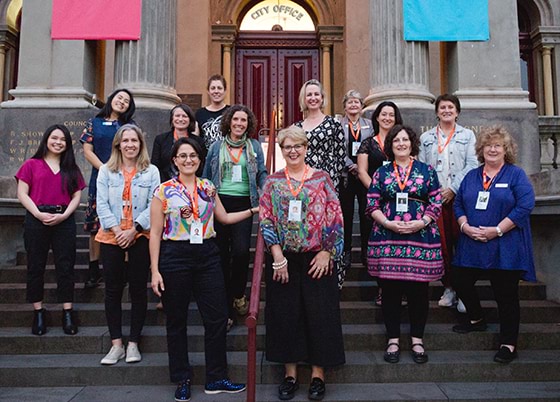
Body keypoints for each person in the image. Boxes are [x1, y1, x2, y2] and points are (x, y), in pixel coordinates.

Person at [150, 137, 249, 401]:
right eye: (183, 156)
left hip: (207, 254)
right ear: (174, 160)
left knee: (216, 319)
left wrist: (254, 209)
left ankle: (216, 377)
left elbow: (224, 218)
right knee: (176, 320)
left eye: (193, 155)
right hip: (175, 256)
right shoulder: (163, 191)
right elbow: (156, 233)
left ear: (199, 159)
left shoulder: (209, 187)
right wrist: (155, 270)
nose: (188, 160)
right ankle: (182, 378)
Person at [259, 126, 345, 401]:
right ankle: (290, 375)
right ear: (282, 151)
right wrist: (277, 257)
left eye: (298, 146)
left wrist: (327, 252)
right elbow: (266, 218)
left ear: (306, 148)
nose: (293, 151)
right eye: (287, 147)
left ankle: (318, 376)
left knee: (319, 315)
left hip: (316, 257)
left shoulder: (322, 179)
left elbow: (335, 216)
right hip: (283, 259)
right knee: (286, 316)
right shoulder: (272, 182)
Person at [451, 125, 536, 364]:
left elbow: (525, 206)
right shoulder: (472, 175)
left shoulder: (515, 175)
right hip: (473, 242)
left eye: (498, 145)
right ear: (481, 149)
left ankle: (508, 343)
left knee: (505, 294)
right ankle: (477, 319)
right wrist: (465, 226)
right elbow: (458, 203)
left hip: (504, 244)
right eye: (488, 145)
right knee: (459, 278)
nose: (492, 149)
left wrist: (497, 230)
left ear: (506, 150)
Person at [366, 125, 443, 365]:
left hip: (420, 237)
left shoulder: (427, 171)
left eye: (405, 140)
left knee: (418, 292)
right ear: (390, 145)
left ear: (412, 144)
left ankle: (417, 339)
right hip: (387, 237)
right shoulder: (381, 172)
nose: (401, 144)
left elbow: (436, 200)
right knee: (390, 292)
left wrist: (422, 221)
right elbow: (371, 203)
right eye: (396, 140)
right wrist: (387, 222)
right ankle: (393, 339)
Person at [96, 124, 160, 365]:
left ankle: (133, 343)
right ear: (118, 145)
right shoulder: (106, 171)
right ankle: (116, 344)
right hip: (111, 237)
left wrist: (134, 230)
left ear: (141, 144)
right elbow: (101, 204)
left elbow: (154, 204)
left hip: (140, 236)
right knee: (112, 290)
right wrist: (117, 231)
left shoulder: (151, 171)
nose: (130, 144)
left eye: (135, 140)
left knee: (137, 290)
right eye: (126, 141)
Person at [15, 124, 85, 336]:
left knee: (66, 266)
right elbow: (22, 193)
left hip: (64, 219)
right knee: (35, 266)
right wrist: (37, 214)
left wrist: (64, 215)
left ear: (67, 144)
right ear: (46, 139)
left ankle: (67, 311)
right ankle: (38, 312)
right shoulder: (31, 164)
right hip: (37, 218)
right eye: (54, 138)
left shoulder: (71, 168)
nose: (58, 142)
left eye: (63, 139)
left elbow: (76, 196)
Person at [203, 104, 267, 327]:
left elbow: (261, 173)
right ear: (229, 122)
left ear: (248, 124)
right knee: (220, 254)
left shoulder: (254, 147)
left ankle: (238, 293)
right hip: (219, 202)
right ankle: (226, 307)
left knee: (240, 252)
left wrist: (266, 191)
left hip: (245, 203)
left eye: (244, 120)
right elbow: (206, 177)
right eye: (236, 119)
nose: (240, 123)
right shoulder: (215, 147)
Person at [419, 94, 478, 313]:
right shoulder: (427, 138)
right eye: (442, 107)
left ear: (457, 111)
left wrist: (453, 189)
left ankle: (465, 291)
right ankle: (449, 287)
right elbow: (423, 167)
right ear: (436, 112)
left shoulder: (467, 135)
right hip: (435, 200)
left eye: (450, 107)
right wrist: (435, 192)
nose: (446, 111)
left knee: (462, 245)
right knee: (442, 246)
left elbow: (473, 163)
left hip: (460, 198)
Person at [80, 88, 136, 289]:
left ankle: (126, 269)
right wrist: (105, 169)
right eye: (120, 98)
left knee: (125, 220)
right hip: (101, 178)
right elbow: (87, 150)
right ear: (111, 99)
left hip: (125, 180)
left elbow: (134, 151)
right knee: (95, 225)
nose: (122, 102)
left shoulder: (129, 126)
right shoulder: (93, 123)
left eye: (126, 101)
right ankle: (94, 269)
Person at [357, 101, 403, 305]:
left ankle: (400, 288)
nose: (387, 118)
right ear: (376, 117)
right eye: (383, 114)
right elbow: (362, 171)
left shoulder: (403, 141)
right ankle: (383, 289)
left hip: (399, 201)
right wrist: (378, 191)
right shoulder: (367, 142)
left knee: (398, 243)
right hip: (375, 201)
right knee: (376, 244)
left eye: (391, 115)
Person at [338, 90, 374, 272]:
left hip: (365, 175)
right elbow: (337, 148)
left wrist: (361, 167)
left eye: (356, 102)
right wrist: (351, 165)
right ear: (344, 106)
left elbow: (373, 146)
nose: (353, 105)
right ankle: (346, 252)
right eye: (350, 102)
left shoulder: (369, 125)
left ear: (362, 106)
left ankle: (367, 252)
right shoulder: (338, 124)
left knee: (366, 214)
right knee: (346, 214)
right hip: (346, 175)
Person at [294, 79, 346, 191]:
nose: (313, 98)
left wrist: (332, 174)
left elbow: (341, 156)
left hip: (326, 180)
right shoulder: (296, 127)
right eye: (309, 95)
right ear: (304, 99)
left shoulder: (334, 124)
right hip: (302, 179)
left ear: (322, 98)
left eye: (316, 94)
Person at [152, 104, 206, 182]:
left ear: (190, 119)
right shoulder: (160, 139)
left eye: (184, 116)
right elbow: (155, 166)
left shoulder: (198, 142)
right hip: (165, 184)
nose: (180, 119)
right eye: (177, 116)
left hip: (191, 183)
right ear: (172, 119)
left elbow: (202, 166)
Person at [195, 74, 230, 149]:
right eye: (213, 88)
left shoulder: (231, 112)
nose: (216, 91)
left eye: (219, 88)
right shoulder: (199, 114)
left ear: (225, 91)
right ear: (208, 91)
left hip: (228, 157)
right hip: (206, 158)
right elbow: (195, 139)